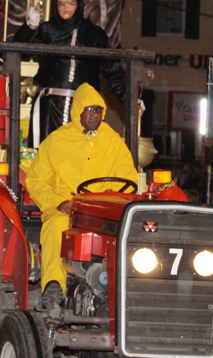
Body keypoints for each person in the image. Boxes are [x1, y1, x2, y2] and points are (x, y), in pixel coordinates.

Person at [25, 83, 137, 308]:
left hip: (103, 212)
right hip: (68, 212)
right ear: (78, 112)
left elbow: (129, 177)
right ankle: (53, 285)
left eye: (99, 110)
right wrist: (59, 203)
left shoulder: (113, 142)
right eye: (90, 109)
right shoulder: (55, 142)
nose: (95, 114)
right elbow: (36, 181)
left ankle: (126, 290)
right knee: (56, 226)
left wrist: (111, 194)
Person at [12, 0, 127, 148]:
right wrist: (30, 26)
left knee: (79, 156)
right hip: (50, 107)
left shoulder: (94, 34)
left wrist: (131, 99)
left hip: (83, 110)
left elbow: (112, 72)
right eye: (62, 2)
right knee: (49, 154)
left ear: (79, 5)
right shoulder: (47, 30)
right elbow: (18, 52)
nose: (66, 7)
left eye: (71, 2)